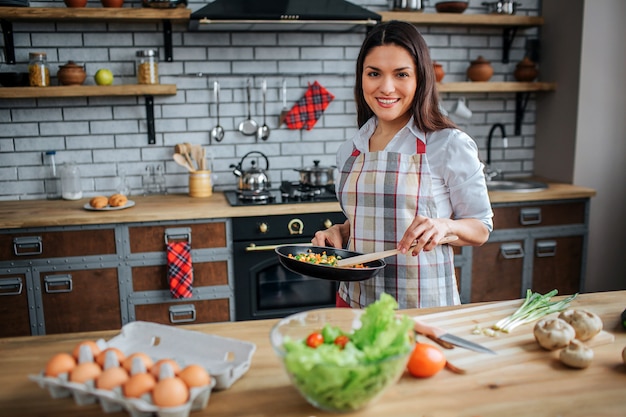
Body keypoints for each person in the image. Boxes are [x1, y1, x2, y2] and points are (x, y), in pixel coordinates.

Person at [311, 21, 493, 309]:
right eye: (374, 74)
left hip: (421, 308)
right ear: (361, 78)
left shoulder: (448, 144)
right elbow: (370, 220)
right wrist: (341, 232)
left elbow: (481, 228)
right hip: (355, 302)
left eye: (401, 74)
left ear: (420, 78)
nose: (386, 87)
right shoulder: (350, 149)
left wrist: (442, 226)